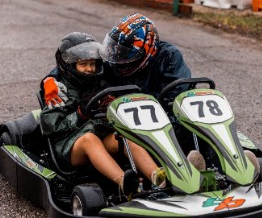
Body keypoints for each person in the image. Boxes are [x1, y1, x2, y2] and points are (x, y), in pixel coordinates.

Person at [42, 14, 204, 168]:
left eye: (126, 54)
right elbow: (78, 67)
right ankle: (166, 172)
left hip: (164, 115)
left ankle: (209, 163)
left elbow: (176, 96)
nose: (118, 58)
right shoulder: (118, 62)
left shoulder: (169, 56)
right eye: (117, 51)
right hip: (130, 118)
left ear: (146, 51)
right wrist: (49, 79)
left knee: (195, 123)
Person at [40, 32, 165, 197]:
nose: (90, 69)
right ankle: (124, 183)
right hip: (69, 146)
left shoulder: (101, 82)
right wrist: (80, 114)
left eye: (92, 63)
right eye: (83, 64)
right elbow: (50, 127)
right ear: (69, 66)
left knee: (126, 136)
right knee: (89, 140)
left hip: (100, 134)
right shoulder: (59, 90)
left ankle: (159, 178)